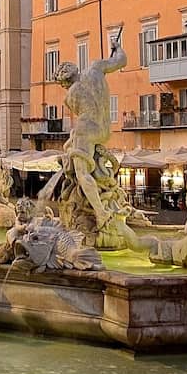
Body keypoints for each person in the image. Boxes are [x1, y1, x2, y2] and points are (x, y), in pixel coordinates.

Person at [54, 32, 128, 229]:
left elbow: (81, 118)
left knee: (81, 173)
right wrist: (116, 46)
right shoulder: (96, 67)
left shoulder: (70, 95)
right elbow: (121, 60)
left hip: (85, 131)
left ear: (64, 82)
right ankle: (104, 200)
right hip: (104, 129)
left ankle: (100, 212)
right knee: (80, 157)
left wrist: (72, 141)